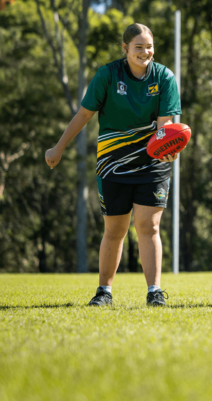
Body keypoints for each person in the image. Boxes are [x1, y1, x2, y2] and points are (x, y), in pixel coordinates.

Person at [45, 23, 182, 307]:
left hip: (151, 163)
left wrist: (170, 148)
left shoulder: (165, 77)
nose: (145, 52)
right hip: (113, 163)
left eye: (149, 46)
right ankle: (104, 292)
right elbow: (83, 115)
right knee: (115, 230)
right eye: (138, 47)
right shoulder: (107, 75)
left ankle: (154, 292)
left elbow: (166, 127)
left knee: (149, 226)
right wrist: (58, 147)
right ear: (125, 49)